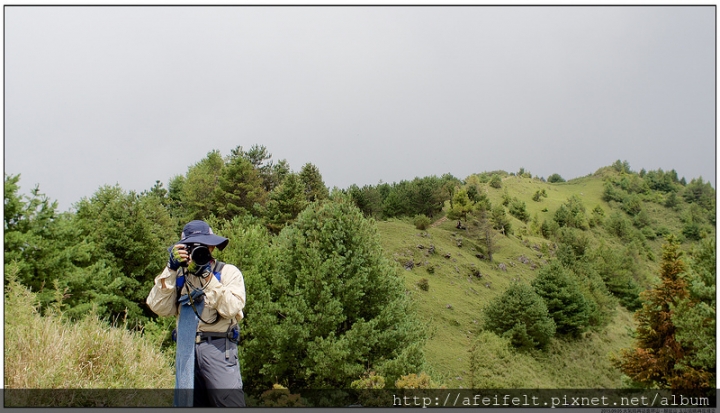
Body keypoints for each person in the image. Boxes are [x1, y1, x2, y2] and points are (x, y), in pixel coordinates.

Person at [147, 220, 246, 407]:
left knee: (229, 404)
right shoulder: (178, 276)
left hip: (218, 347)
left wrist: (207, 276)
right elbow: (158, 307)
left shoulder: (227, 272)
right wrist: (170, 268)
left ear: (212, 247)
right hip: (186, 349)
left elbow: (231, 308)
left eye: (203, 246)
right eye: (192, 247)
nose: (198, 252)